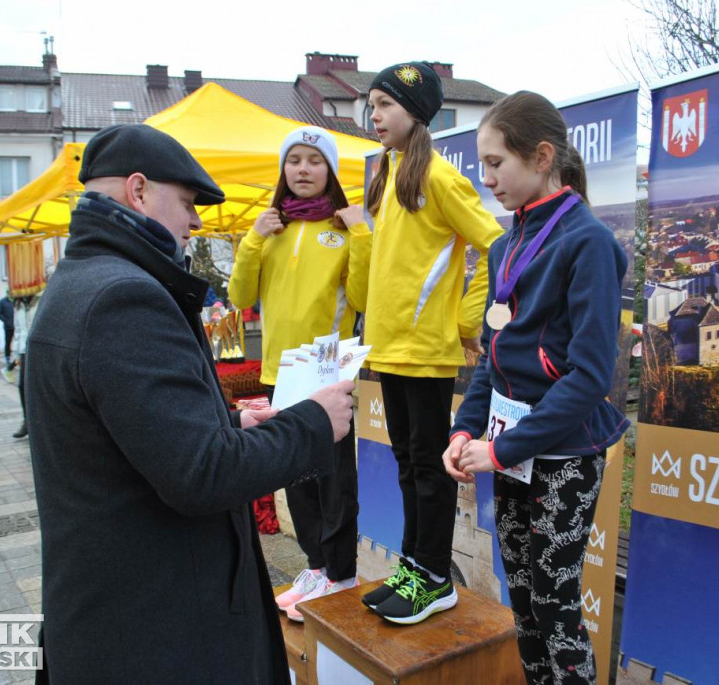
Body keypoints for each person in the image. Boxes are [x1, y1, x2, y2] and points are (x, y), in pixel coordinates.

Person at [25, 124, 355, 683]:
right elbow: (203, 475)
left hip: (129, 615)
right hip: (159, 632)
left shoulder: (86, 281)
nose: (196, 221)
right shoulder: (122, 299)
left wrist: (229, 423)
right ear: (138, 191)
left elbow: (129, 430)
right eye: (185, 203)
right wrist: (314, 424)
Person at [444, 91, 629, 684]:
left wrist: (500, 448)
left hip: (563, 456)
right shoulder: (504, 245)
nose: (486, 177)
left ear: (542, 156)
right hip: (513, 453)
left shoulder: (588, 243)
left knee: (556, 607)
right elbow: (494, 362)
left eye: (496, 162)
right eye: (483, 163)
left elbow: (590, 377)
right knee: (521, 602)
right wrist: (466, 428)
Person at [360, 62, 504, 625]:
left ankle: (437, 578)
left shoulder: (439, 177)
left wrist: (468, 321)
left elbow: (498, 245)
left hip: (427, 350)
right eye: (371, 105)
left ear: (415, 112)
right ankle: (415, 566)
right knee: (407, 463)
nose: (375, 115)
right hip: (391, 348)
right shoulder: (388, 175)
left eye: (385, 105)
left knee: (428, 466)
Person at [228, 126, 371, 622]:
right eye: (295, 161)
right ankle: (315, 568)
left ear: (329, 169)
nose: (304, 170)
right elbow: (241, 297)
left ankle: (342, 572)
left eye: (314, 160)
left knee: (333, 480)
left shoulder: (344, 228)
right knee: (296, 475)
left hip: (326, 373)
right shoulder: (269, 229)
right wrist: (251, 239)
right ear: (283, 170)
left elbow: (362, 298)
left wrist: (362, 234)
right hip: (278, 373)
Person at [9, 290, 41, 439]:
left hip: (39, 350)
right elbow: (19, 330)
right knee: (23, 386)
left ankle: (41, 422)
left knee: (40, 387)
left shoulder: (42, 297)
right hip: (24, 349)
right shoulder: (19, 303)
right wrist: (16, 354)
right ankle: (28, 420)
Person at [0, 293, 14, 372]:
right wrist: (6, 321)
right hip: (8, 326)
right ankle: (8, 358)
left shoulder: (16, 301)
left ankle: (18, 358)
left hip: (17, 326)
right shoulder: (3, 301)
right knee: (8, 342)